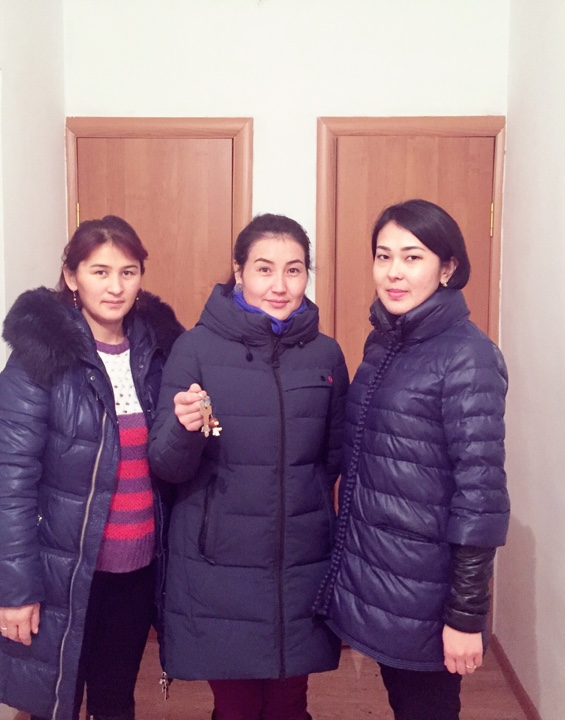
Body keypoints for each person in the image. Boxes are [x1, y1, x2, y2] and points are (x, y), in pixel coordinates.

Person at [0, 215, 183, 720]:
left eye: (128, 272)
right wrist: (16, 589)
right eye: (100, 271)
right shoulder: (40, 359)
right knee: (52, 705)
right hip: (61, 571)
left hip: (136, 571)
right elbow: (11, 482)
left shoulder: (159, 353)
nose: (115, 286)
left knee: (115, 702)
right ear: (71, 276)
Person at [313, 199, 510, 720]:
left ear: (447, 268)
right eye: (384, 256)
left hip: (428, 591)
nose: (394, 272)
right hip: (388, 578)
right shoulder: (386, 341)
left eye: (412, 257)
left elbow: (481, 498)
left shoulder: (467, 356)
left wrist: (465, 617)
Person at [148, 213, 350, 720]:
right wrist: (184, 428)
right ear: (238, 272)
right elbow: (167, 466)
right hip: (219, 564)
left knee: (289, 703)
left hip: (300, 561)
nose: (279, 285)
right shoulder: (195, 349)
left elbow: (331, 460)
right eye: (264, 269)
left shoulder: (326, 355)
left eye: (294, 270)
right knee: (235, 706)